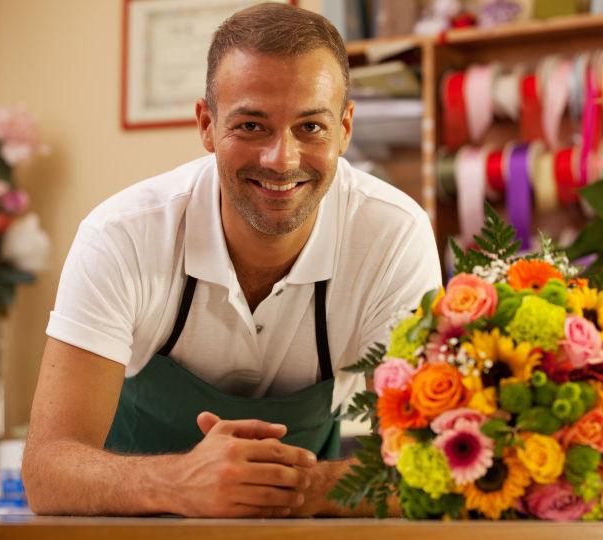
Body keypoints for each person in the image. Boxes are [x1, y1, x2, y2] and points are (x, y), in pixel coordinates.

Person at [22, 2, 441, 518]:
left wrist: (302, 488)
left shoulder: (393, 236)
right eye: (251, 126)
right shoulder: (122, 235)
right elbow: (46, 471)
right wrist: (178, 482)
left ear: (346, 128)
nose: (281, 159)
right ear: (205, 124)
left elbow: (433, 461)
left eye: (310, 127)